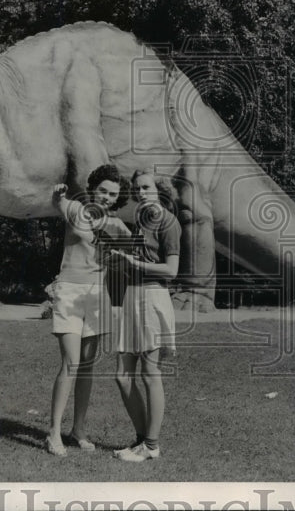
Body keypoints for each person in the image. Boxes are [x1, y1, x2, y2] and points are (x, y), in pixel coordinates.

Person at [46, 164, 131, 457]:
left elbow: (137, 247)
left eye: (112, 194)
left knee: (86, 365)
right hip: (69, 291)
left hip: (97, 295)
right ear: (93, 188)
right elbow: (58, 202)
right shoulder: (76, 210)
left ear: (118, 198)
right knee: (70, 362)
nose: (106, 197)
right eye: (103, 190)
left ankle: (78, 429)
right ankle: (53, 433)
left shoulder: (117, 225)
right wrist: (58, 194)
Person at [109, 170, 180, 462]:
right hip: (133, 297)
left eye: (146, 187)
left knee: (150, 374)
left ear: (159, 189)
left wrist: (132, 263)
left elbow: (171, 271)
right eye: (137, 188)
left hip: (152, 298)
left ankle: (151, 445)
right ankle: (141, 441)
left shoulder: (168, 222)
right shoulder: (140, 220)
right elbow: (137, 260)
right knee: (122, 376)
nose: (140, 193)